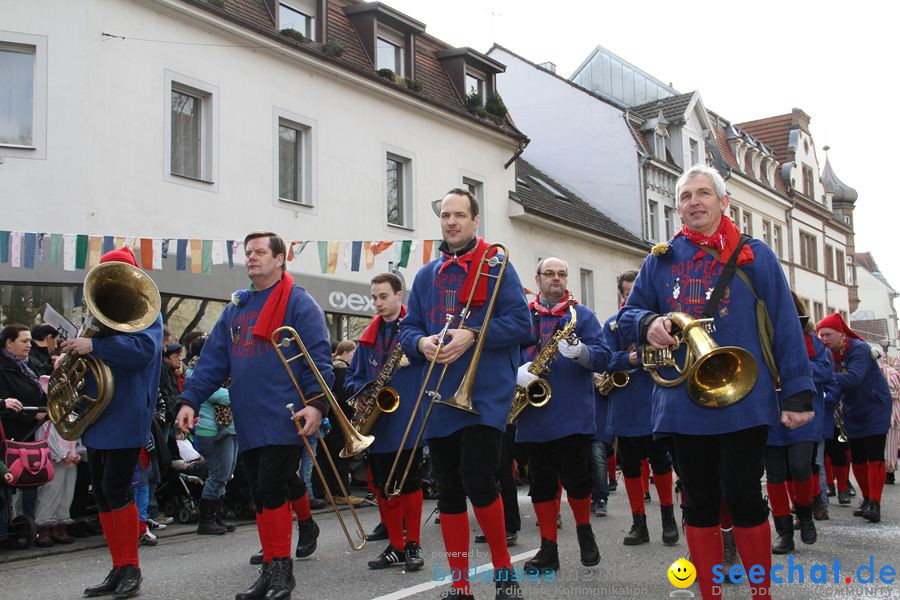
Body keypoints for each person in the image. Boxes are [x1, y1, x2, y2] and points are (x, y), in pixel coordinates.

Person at [618, 164, 815, 600]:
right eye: (686, 196)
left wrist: (798, 392)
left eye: (703, 193)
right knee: (699, 502)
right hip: (684, 401)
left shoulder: (755, 253)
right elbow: (627, 316)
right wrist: (648, 321)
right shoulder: (661, 257)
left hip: (744, 397)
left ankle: (760, 594)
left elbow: (785, 322)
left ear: (724, 202)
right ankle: (711, 594)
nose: (694, 202)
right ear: (677, 208)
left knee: (745, 497)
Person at [177, 231, 333, 600]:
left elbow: (319, 358)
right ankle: (271, 571)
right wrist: (189, 400)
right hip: (248, 418)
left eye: (260, 252)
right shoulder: (237, 308)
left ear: (280, 259)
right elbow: (213, 360)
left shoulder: (300, 302)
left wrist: (316, 403)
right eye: (248, 253)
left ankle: (281, 574)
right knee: (261, 496)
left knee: (270, 488)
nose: (251, 258)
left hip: (286, 414)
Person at [399, 188, 532, 600]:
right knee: (449, 489)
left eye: (460, 215)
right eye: (446, 216)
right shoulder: (425, 276)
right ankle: (460, 585)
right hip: (437, 395)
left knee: (479, 478)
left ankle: (505, 575)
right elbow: (407, 331)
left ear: (476, 221)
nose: (452, 222)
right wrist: (420, 344)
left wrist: (473, 334)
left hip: (484, 393)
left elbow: (522, 326)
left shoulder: (497, 267)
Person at [60, 247, 163, 599]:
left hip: (126, 414)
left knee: (117, 489)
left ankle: (131, 567)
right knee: (103, 493)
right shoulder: (100, 320)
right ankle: (119, 566)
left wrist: (94, 347)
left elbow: (142, 353)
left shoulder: (147, 314)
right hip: (99, 414)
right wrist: (73, 350)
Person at [514, 257, 608, 575]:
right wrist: (516, 370)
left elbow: (604, 354)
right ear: (537, 279)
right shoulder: (523, 317)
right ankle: (548, 549)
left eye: (562, 274)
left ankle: (585, 534)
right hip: (533, 415)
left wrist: (583, 352)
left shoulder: (581, 316)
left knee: (578, 482)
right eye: (549, 273)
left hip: (573, 414)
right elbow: (505, 352)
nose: (556, 278)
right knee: (541, 486)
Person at [347, 273, 426, 572]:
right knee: (382, 486)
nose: (378, 303)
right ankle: (395, 545)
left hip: (408, 420)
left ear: (398, 296)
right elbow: (353, 379)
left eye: (383, 296)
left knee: (409, 483)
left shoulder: (416, 330)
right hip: (379, 422)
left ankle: (413, 544)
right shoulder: (367, 339)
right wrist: (362, 392)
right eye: (374, 297)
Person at [602, 270, 678, 547]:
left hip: (656, 398)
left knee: (661, 461)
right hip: (626, 401)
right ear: (622, 295)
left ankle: (669, 518)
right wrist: (630, 358)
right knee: (631, 465)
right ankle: (639, 523)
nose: (633, 296)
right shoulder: (612, 325)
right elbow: (606, 358)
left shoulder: (664, 323)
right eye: (628, 292)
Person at [765, 293, 829, 553]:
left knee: (801, 467)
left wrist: (792, 370)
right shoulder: (760, 334)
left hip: (803, 408)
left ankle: (805, 516)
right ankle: (784, 531)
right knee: (775, 473)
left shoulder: (809, 337)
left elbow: (825, 371)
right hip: (769, 409)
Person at [817, 313, 892, 522]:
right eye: (821, 335)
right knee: (858, 456)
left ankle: (875, 503)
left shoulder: (860, 349)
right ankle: (867, 499)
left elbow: (853, 378)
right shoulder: (831, 354)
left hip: (875, 407)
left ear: (841, 334)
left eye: (827, 335)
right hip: (853, 409)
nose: (823, 339)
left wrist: (822, 376)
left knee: (874, 455)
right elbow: (837, 385)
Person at [185, 335, 238, 536]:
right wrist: (237, 393)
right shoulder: (195, 371)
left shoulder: (218, 369)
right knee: (218, 474)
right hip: (212, 431)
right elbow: (219, 395)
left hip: (230, 429)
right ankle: (206, 521)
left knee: (225, 475)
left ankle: (217, 516)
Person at [1, 324, 49, 523]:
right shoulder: (3, 368)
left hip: (31, 434)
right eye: (24, 341)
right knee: (11, 479)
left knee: (32, 477)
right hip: (12, 434)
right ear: (9, 343)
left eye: (30, 340)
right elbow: (6, 401)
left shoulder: (28, 365)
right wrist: (32, 415)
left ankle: (27, 523)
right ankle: (9, 526)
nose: (29, 345)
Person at [320, 340, 363, 506]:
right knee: (341, 457)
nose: (354, 357)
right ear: (345, 353)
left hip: (332, 420)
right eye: (353, 353)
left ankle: (331, 492)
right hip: (339, 421)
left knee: (330, 457)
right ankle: (342, 492)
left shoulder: (332, 368)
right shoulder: (342, 370)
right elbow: (345, 397)